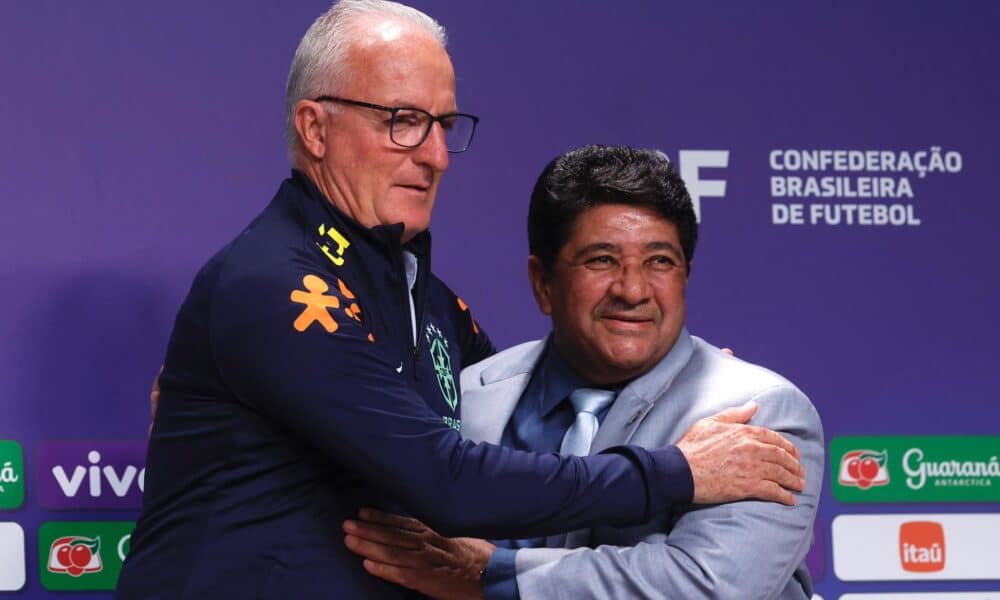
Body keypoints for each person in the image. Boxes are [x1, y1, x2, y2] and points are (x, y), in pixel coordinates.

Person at [119, 2, 806, 597]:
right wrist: (678, 473)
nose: (436, 155)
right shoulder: (274, 285)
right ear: (315, 128)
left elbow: (524, 417)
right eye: (403, 120)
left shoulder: (428, 300)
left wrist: (677, 379)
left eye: (445, 125)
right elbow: (450, 482)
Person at [343, 145, 824, 599]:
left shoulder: (760, 412)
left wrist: (487, 577)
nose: (633, 289)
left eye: (659, 261)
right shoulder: (466, 398)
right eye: (603, 260)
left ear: (686, 275)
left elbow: (705, 586)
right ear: (543, 282)